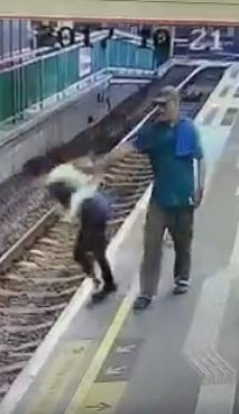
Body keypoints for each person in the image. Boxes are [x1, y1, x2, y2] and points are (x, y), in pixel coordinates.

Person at [94, 86, 205, 311]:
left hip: (184, 201)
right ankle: (147, 292)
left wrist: (200, 186)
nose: (159, 110)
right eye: (157, 105)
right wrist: (102, 163)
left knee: (183, 243)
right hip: (160, 201)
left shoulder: (188, 130)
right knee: (152, 245)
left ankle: (182, 277)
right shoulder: (152, 132)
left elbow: (200, 159)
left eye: (164, 105)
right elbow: (127, 148)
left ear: (176, 104)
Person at [45, 163, 117, 301]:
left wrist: (67, 217)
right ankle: (101, 281)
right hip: (97, 205)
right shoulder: (61, 171)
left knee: (88, 253)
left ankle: (104, 283)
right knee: (89, 252)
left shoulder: (53, 184)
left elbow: (70, 206)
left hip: (92, 210)